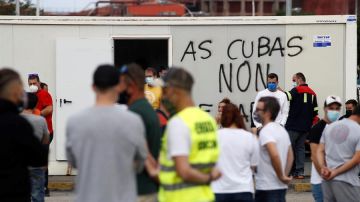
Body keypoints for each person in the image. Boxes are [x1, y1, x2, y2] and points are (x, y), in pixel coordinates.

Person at [66, 65, 147, 202]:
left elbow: (74, 162)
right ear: (118, 86)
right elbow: (140, 161)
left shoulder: (74, 122)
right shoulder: (133, 121)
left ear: (93, 87)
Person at [158, 67, 221, 202]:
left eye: (164, 91)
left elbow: (183, 171)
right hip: (205, 197)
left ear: (173, 90)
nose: (162, 96)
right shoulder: (208, 120)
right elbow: (214, 166)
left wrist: (207, 178)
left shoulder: (178, 123)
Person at [0, 68, 48, 202]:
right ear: (15, 92)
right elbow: (38, 157)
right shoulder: (18, 124)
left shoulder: (44, 95)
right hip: (14, 191)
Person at [119, 63, 162, 202]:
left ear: (130, 86)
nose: (118, 89)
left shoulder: (135, 113)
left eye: (121, 84)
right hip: (146, 189)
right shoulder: (146, 110)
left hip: (138, 191)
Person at [212, 103, 259, 202]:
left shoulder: (214, 136)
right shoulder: (250, 137)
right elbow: (254, 165)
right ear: (239, 117)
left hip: (220, 189)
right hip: (244, 189)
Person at [316, 105, 360, 202]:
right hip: (348, 182)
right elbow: (357, 159)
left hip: (327, 181)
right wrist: (336, 172)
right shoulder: (358, 130)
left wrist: (323, 167)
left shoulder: (330, 127)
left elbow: (320, 150)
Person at [254, 96, 294, 202]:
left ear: (268, 112)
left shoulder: (266, 131)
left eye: (259, 110)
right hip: (280, 188)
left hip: (267, 188)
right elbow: (290, 155)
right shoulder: (281, 130)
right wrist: (284, 175)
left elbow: (274, 154)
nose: (256, 112)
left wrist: (281, 176)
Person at [308, 95, 342, 202]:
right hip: (321, 182)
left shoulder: (341, 128)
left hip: (338, 181)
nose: (334, 111)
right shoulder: (317, 129)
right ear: (324, 108)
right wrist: (325, 176)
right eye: (331, 108)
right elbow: (314, 156)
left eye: (337, 109)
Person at [285, 72, 318, 179]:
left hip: (293, 126)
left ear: (299, 79)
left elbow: (286, 96)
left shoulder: (297, 90)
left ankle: (288, 171)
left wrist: (278, 90)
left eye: (294, 80)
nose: (293, 83)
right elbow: (315, 112)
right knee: (300, 148)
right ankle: (300, 172)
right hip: (305, 128)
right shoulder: (313, 93)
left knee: (288, 147)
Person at [28, 73, 53, 195]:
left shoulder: (44, 94)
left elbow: (49, 108)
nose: (32, 85)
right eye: (30, 83)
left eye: (34, 83)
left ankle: (44, 187)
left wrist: (38, 114)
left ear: (39, 83)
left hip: (46, 132)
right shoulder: (29, 96)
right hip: (33, 132)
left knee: (42, 160)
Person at [21, 92, 50, 202]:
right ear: (35, 104)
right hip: (36, 163)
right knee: (37, 194)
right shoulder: (40, 120)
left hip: (19, 164)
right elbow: (45, 141)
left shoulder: (14, 118)